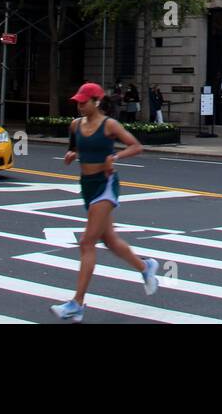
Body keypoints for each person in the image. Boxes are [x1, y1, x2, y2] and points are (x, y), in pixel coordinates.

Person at [51, 82, 159, 322]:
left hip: (106, 184)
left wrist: (115, 156)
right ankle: (145, 267)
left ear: (96, 101)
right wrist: (72, 154)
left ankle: (77, 303)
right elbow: (76, 148)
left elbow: (136, 146)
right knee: (109, 240)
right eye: (78, 102)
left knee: (87, 242)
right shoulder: (75, 125)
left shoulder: (110, 125)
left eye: (83, 102)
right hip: (87, 185)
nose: (79, 106)